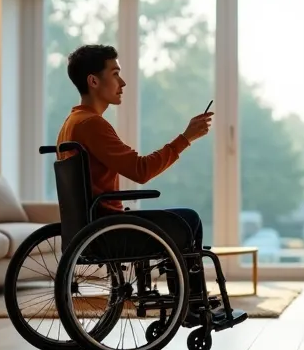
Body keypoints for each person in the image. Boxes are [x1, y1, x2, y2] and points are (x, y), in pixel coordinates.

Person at [56, 43, 213, 251]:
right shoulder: (92, 124)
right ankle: (190, 284)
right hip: (108, 229)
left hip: (88, 227)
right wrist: (185, 138)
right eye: (115, 74)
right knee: (189, 220)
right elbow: (141, 170)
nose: (123, 82)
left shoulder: (71, 123)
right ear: (93, 81)